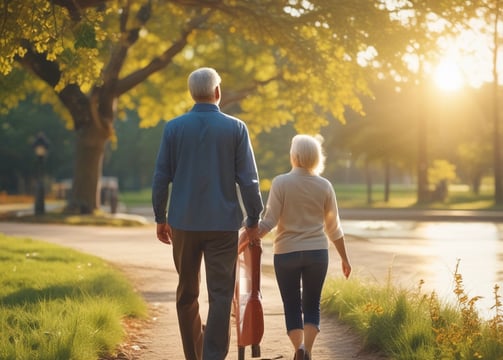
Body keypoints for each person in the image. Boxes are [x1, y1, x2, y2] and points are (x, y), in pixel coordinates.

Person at [152, 67, 264, 360]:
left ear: (192, 94)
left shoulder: (173, 128)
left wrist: (160, 217)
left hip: (184, 223)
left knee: (187, 293)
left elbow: (161, 176)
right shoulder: (236, 128)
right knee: (221, 295)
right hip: (222, 225)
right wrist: (253, 219)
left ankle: (194, 355)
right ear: (217, 92)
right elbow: (249, 180)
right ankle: (213, 356)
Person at [247, 134, 351, 360]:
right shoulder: (325, 186)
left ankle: (298, 348)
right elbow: (334, 228)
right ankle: (308, 350)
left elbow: (269, 221)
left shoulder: (281, 182)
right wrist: (345, 258)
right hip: (317, 253)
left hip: (286, 253)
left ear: (294, 156)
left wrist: (247, 238)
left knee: (292, 304)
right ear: (315, 157)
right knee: (312, 304)